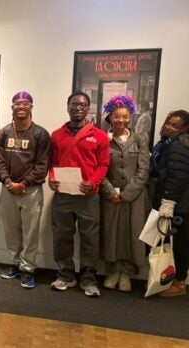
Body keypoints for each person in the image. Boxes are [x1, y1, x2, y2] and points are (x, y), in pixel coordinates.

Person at [49, 91, 110, 297]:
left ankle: (89, 279)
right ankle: (65, 275)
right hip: (62, 195)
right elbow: (52, 163)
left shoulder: (99, 136)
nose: (78, 107)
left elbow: (103, 164)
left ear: (88, 108)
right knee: (61, 236)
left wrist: (93, 183)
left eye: (82, 105)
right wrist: (51, 178)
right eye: (74, 104)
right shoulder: (56, 135)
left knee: (89, 238)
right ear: (67, 107)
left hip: (88, 196)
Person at [0, 92, 51, 286]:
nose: (21, 107)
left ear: (31, 107)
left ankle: (28, 268)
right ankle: (15, 264)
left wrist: (24, 184)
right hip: (8, 189)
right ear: (12, 107)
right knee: (11, 231)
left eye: (25, 104)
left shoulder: (40, 134)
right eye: (17, 104)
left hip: (31, 191)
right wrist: (9, 182)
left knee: (31, 232)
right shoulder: (4, 133)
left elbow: (42, 165)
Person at [150, 110, 189, 297]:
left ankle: (180, 282)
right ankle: (168, 280)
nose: (169, 127)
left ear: (184, 129)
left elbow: (177, 177)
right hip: (175, 202)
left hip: (178, 204)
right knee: (169, 242)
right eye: (168, 123)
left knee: (179, 242)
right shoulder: (167, 144)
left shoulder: (178, 146)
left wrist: (168, 203)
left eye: (175, 126)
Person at [99, 96, 149, 293]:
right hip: (110, 196)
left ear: (131, 118)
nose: (121, 120)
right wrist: (111, 192)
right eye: (116, 116)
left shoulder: (140, 139)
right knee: (111, 233)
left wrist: (128, 194)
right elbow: (99, 169)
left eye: (125, 117)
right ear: (110, 117)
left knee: (132, 234)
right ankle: (113, 272)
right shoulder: (103, 139)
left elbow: (143, 170)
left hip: (135, 197)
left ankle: (126, 273)